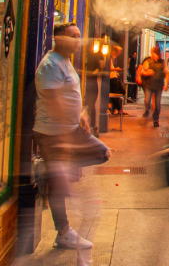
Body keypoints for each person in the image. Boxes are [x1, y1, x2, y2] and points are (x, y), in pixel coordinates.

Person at [33, 22, 112, 252]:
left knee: (103, 152)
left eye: (79, 36)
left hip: (70, 129)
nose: (78, 41)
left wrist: (80, 115)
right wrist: (64, 141)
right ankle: (64, 233)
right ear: (58, 38)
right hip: (53, 133)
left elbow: (68, 96)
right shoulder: (50, 66)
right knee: (59, 185)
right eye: (73, 36)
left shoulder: (65, 62)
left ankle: (56, 172)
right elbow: (53, 100)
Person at [139, 46, 169, 127]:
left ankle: (156, 119)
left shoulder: (162, 62)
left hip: (159, 86)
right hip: (149, 85)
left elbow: (166, 73)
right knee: (147, 101)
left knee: (158, 103)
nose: (158, 56)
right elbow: (142, 72)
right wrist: (147, 73)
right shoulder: (148, 61)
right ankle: (148, 110)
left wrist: (166, 84)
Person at [107, 45, 125, 115]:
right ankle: (118, 109)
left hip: (113, 77)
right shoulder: (109, 58)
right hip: (112, 77)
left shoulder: (111, 58)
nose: (118, 53)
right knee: (115, 93)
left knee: (117, 92)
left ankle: (116, 109)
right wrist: (116, 69)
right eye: (117, 52)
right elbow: (109, 68)